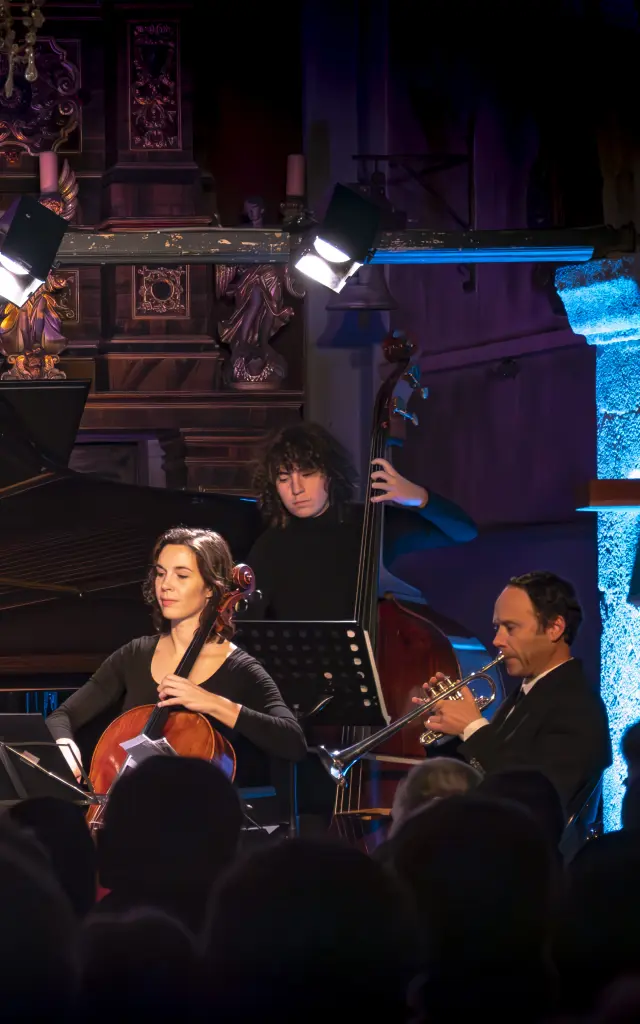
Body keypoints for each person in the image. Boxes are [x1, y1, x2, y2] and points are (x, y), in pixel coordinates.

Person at [46, 527, 307, 790]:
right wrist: (65, 746)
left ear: (210, 588)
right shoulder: (135, 654)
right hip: (123, 811)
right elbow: (61, 716)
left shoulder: (240, 668)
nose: (165, 585)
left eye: (181, 575)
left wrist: (212, 702)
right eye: (160, 573)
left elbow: (293, 742)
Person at [416, 570, 612, 822]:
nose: (497, 640)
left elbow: (534, 795)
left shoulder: (579, 705)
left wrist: (472, 727)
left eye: (511, 628)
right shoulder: (527, 693)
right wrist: (444, 731)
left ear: (554, 628)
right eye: (498, 627)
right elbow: (482, 774)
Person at [247, 421, 478, 621]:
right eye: (284, 478)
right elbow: (247, 625)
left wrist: (419, 497)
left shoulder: (370, 525)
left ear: (330, 474)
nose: (296, 489)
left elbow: (464, 532)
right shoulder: (269, 545)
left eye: (307, 474)